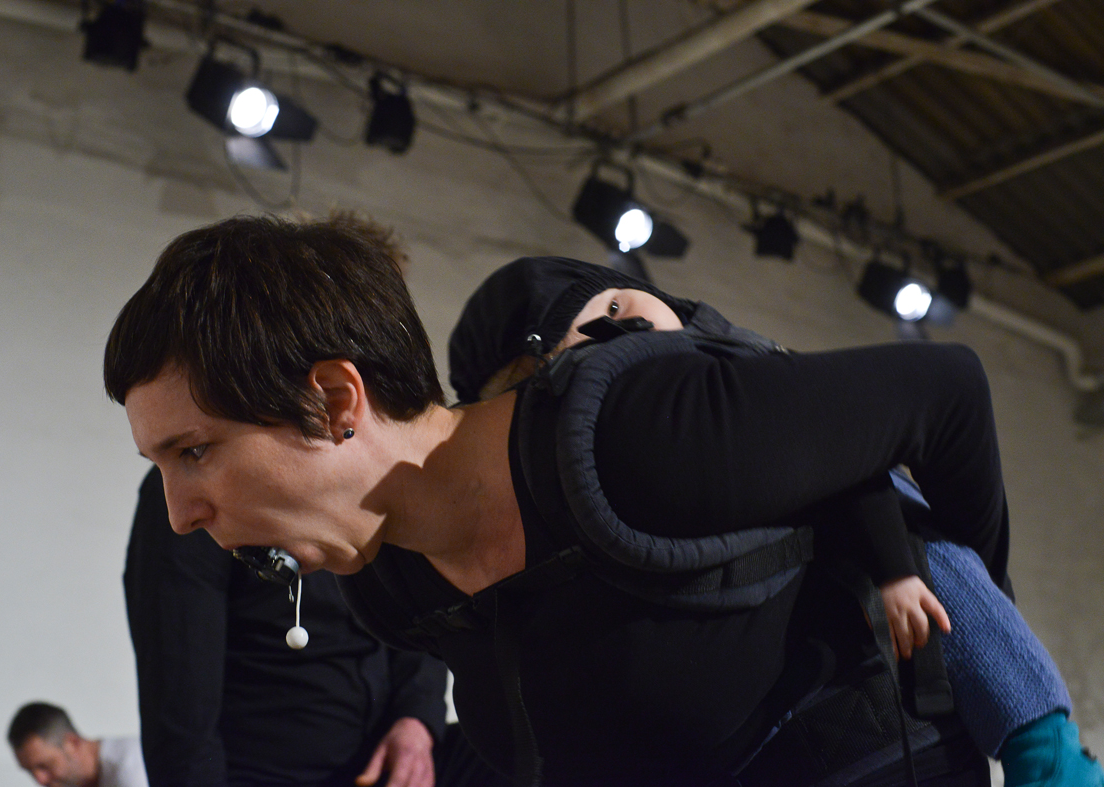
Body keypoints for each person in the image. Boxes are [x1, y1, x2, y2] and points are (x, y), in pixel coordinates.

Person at [99, 214, 1052, 786]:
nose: (179, 511)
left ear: (335, 400)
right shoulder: (391, 583)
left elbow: (946, 394)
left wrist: (977, 643)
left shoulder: (632, 433)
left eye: (195, 451)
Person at [444, 254, 1103, 786]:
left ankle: (1044, 747)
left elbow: (864, 465)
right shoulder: (603, 465)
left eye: (615, 309)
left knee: (932, 553)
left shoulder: (733, 375)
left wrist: (897, 571)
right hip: (792, 703)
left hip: (877, 587)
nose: (627, 327)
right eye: (588, 339)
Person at [126, 466, 488, 787]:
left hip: (384, 759)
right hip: (264, 775)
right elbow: (179, 719)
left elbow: (415, 617)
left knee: (510, 747)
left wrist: (416, 722)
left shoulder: (371, 475)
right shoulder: (188, 504)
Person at [8, 702, 148, 787]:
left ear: (72, 743)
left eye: (44, 765)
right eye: (30, 771)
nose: (40, 780)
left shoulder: (133, 771)